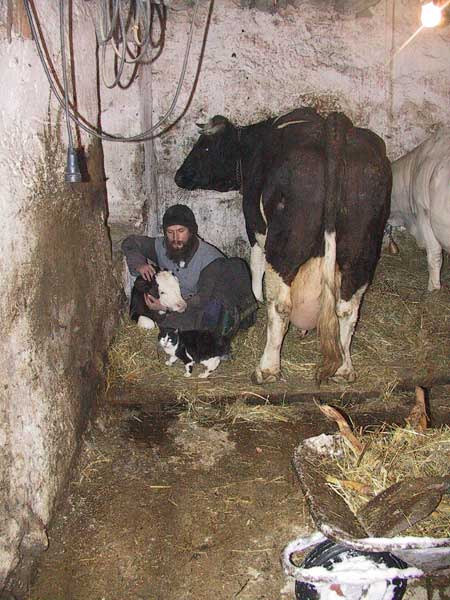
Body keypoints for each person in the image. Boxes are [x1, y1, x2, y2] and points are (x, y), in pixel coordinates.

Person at [121, 204, 257, 336]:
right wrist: (140, 265)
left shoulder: (209, 259)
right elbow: (130, 242)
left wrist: (166, 308)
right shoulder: (161, 246)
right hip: (177, 302)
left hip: (201, 305)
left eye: (181, 231)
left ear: (191, 231)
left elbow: (203, 299)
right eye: (170, 232)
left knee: (204, 323)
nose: (175, 238)